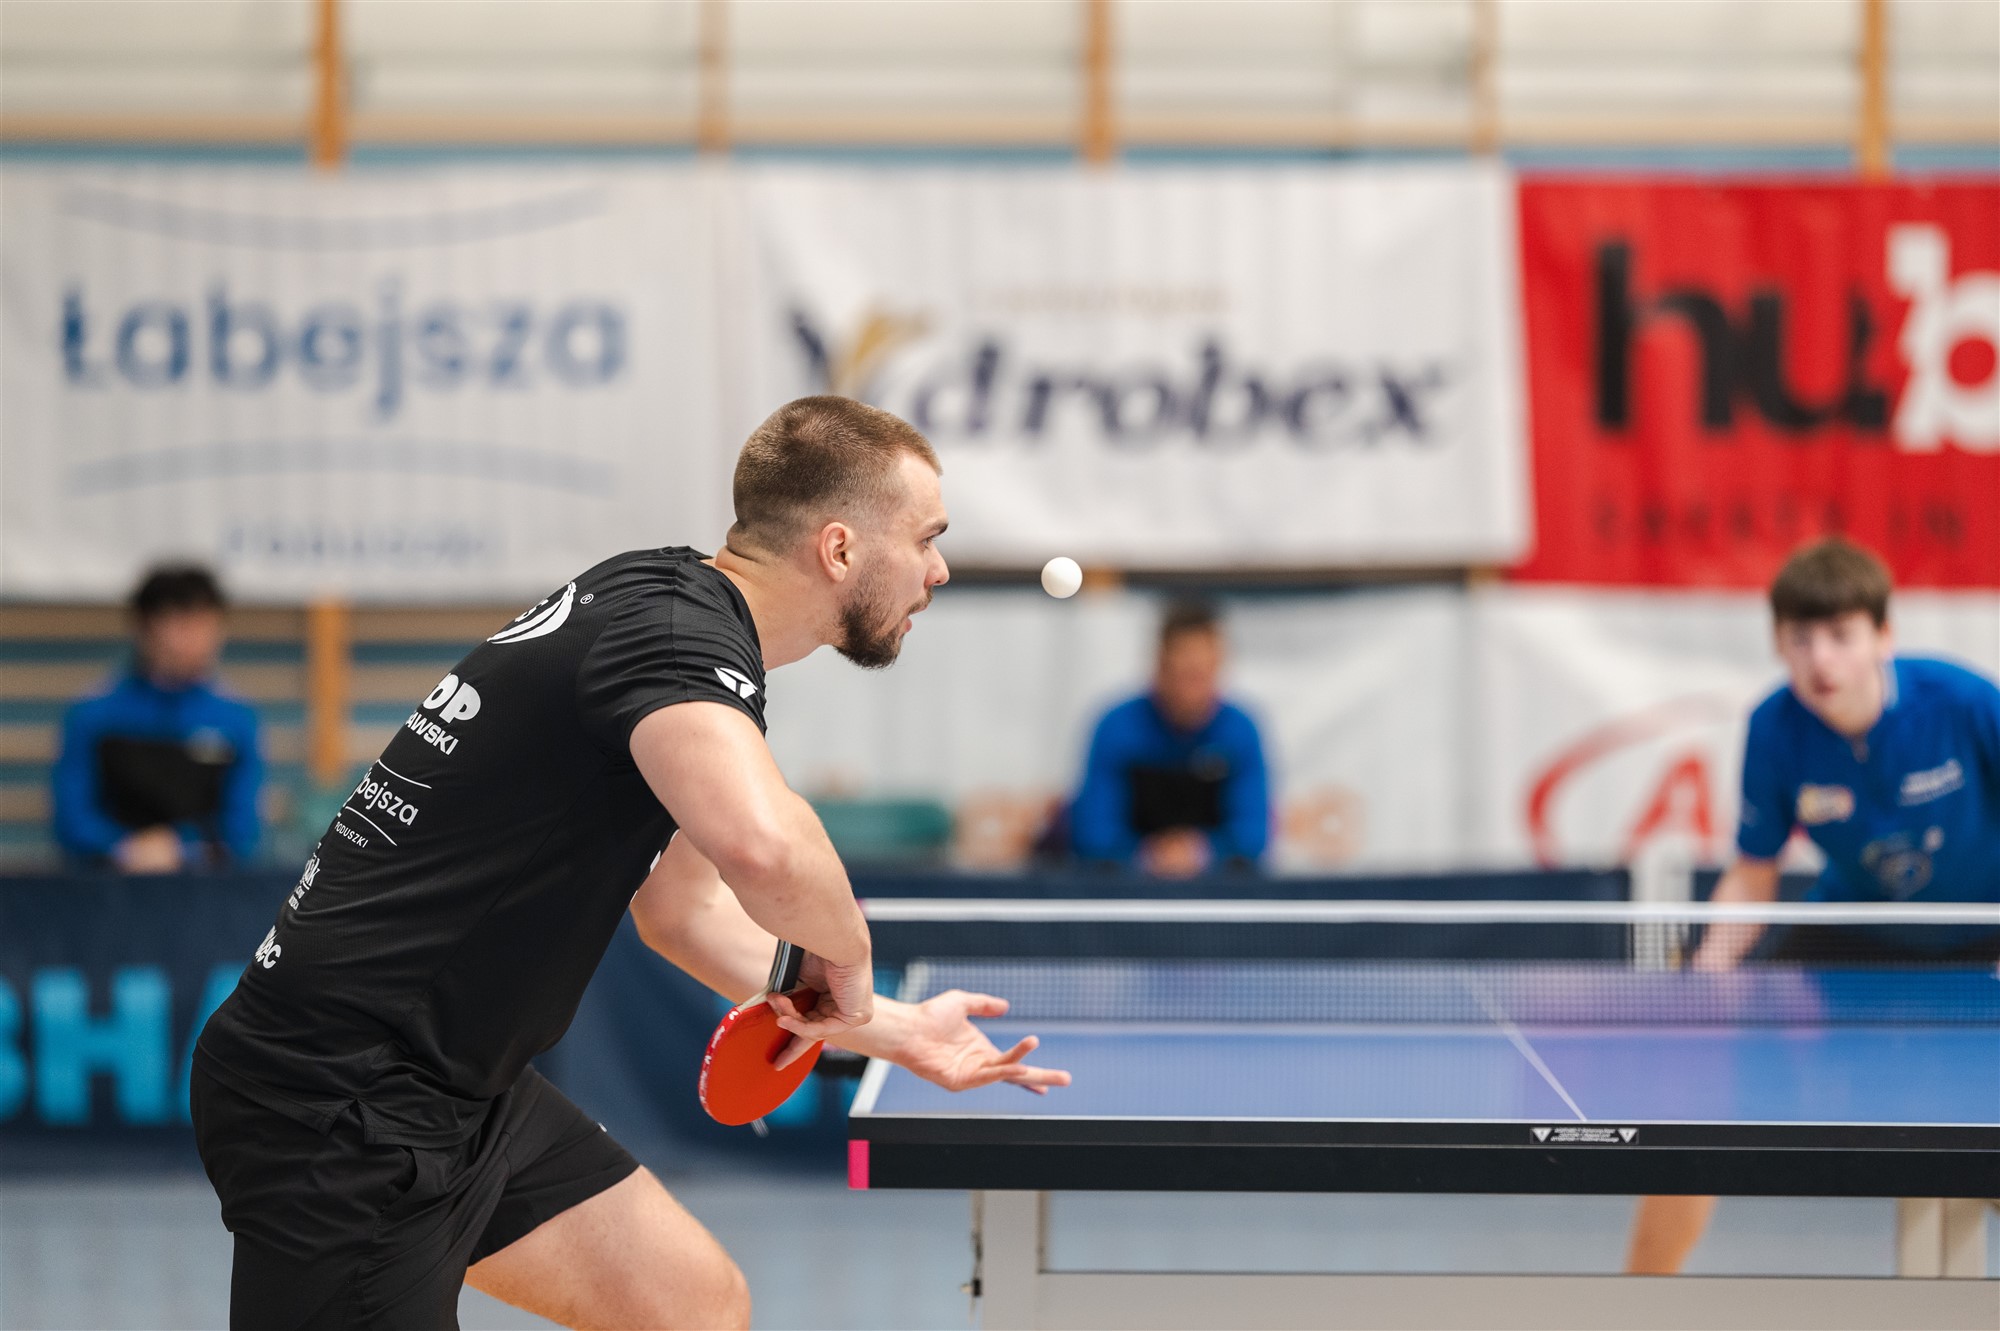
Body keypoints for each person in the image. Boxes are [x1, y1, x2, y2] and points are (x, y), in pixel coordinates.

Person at [191, 396, 1068, 1330]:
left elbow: (683, 913)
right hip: (339, 1098)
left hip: (459, 1091)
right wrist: (848, 952)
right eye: (927, 538)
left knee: (692, 1305)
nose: (938, 569)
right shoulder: (678, 640)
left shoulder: (663, 608)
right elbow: (767, 847)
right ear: (841, 549)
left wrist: (895, 1028)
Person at [1625, 537, 2000, 1276]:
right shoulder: (1774, 728)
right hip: (1859, 926)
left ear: (1883, 637)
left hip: (1986, 930)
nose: (1820, 659)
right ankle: (1636, 1300)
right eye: (1800, 638)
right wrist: (1707, 978)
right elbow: (1752, 876)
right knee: (1700, 1105)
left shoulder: (1963, 702)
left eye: (1840, 635)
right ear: (1778, 644)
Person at [52, 563, 264, 871]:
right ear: (145, 627)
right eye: (182, 623)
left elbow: (242, 831)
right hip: (107, 885)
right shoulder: (93, 716)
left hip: (206, 889)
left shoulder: (236, 721)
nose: (196, 639)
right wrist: (123, 848)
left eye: (206, 625)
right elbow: (72, 820)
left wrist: (182, 848)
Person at [1068, 600, 1272, 876]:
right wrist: (1146, 855)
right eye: (1183, 673)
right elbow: (1093, 831)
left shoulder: (1240, 730)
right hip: (1127, 889)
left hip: (1217, 890)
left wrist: (1202, 852)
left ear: (1218, 665)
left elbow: (1253, 833)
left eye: (1201, 673)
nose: (1192, 688)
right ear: (1160, 665)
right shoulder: (1116, 727)